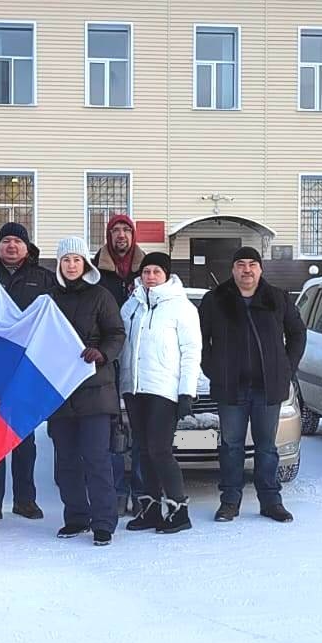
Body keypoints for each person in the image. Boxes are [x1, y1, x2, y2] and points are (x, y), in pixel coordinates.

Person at [199, 246, 307, 524]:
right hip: (230, 388)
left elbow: (298, 334)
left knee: (266, 448)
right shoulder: (215, 300)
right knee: (231, 447)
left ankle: (271, 502)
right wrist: (213, 369)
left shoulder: (277, 298)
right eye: (241, 264)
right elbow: (200, 339)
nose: (246, 270)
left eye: (252, 264)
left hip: (267, 387)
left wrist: (286, 368)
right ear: (233, 269)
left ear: (260, 268)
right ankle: (229, 502)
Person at [0, 221, 53, 526]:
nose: (11, 246)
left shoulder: (42, 278)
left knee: (23, 437)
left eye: (17, 241)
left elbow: (55, 318)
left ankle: (25, 500)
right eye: (5, 240)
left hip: (25, 367)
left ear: (27, 247)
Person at [48, 236, 127, 546]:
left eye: (76, 260)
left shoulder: (101, 296)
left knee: (96, 459)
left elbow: (116, 333)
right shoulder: (48, 298)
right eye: (66, 260)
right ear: (59, 264)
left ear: (85, 264)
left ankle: (103, 522)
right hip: (60, 392)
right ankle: (76, 517)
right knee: (66, 462)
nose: (71, 265)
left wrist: (102, 353)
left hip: (95, 391)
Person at [118, 251, 202, 534]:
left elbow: (191, 351)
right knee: (142, 450)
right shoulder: (131, 306)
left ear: (166, 275)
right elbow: (122, 346)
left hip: (164, 390)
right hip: (135, 389)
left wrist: (186, 392)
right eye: (146, 272)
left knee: (159, 450)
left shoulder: (181, 307)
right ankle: (151, 509)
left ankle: (179, 510)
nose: (150, 277)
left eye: (156, 271)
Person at [94, 213, 144, 512]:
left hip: (141, 363)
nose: (121, 235)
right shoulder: (95, 272)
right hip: (107, 363)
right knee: (112, 433)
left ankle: (141, 494)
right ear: (108, 235)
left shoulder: (148, 270)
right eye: (116, 230)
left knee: (140, 432)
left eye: (126, 230)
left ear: (133, 235)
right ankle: (115, 493)